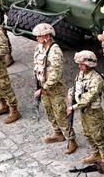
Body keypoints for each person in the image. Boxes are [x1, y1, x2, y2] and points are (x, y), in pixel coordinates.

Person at [32, 23, 74, 151]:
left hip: (54, 89)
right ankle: (58, 133)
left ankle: (71, 140)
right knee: (49, 112)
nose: (36, 39)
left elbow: (55, 74)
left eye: (39, 36)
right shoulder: (40, 47)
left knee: (60, 114)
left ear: (47, 36)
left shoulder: (55, 51)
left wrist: (43, 88)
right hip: (43, 87)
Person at [70, 50, 104, 171]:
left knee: (98, 135)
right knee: (87, 133)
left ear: (89, 65)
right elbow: (77, 87)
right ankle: (95, 153)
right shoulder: (81, 74)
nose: (79, 66)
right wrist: (71, 93)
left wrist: (73, 108)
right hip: (84, 111)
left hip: (93, 112)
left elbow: (88, 98)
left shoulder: (96, 79)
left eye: (81, 64)